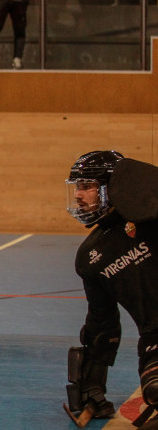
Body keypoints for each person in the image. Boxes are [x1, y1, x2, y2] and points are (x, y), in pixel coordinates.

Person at [63, 151, 158, 424]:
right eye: (77, 188)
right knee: (155, 388)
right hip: (155, 341)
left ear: (112, 187)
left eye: (87, 187)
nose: (79, 195)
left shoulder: (151, 220)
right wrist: (91, 386)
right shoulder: (91, 256)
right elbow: (102, 323)